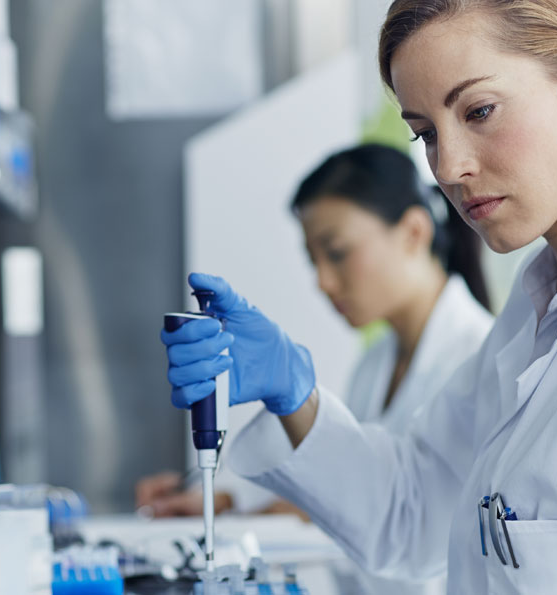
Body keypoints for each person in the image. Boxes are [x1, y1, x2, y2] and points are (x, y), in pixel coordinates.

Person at [160, 0, 557, 592]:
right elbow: (412, 516)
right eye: (425, 133)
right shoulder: (539, 315)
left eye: (479, 111)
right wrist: (294, 392)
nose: (448, 166)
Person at [140, 144, 494, 594]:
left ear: (413, 232)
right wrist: (226, 498)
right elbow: (359, 490)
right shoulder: (376, 363)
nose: (323, 282)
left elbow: (415, 519)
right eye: (314, 261)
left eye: (338, 252)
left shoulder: (477, 356)